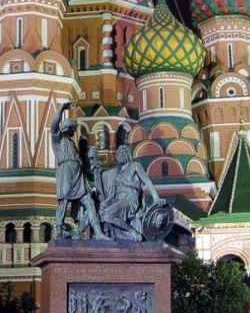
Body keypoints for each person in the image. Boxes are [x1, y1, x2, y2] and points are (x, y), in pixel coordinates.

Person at [52, 101, 105, 239]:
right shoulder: (58, 139)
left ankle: (98, 232)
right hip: (66, 173)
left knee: (89, 202)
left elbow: (81, 163)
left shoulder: (72, 145)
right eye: (73, 129)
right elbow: (53, 124)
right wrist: (62, 109)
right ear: (67, 128)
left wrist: (89, 157)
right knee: (63, 201)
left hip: (78, 175)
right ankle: (59, 230)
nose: (74, 132)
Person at [93, 144, 166, 240]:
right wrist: (96, 171)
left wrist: (156, 198)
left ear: (128, 155)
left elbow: (148, 182)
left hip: (130, 199)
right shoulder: (115, 172)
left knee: (107, 215)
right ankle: (85, 232)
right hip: (116, 199)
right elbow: (101, 181)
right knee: (95, 209)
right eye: (118, 153)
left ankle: (132, 231)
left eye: (123, 152)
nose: (120, 155)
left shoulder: (135, 166)